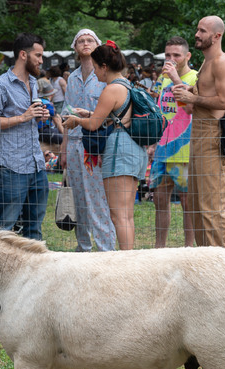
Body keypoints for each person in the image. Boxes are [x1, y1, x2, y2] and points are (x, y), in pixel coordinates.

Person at [63, 40, 147, 250]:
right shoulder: (127, 85)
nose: (96, 74)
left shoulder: (111, 89)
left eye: (96, 67)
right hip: (134, 150)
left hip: (119, 150)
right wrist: (89, 114)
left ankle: (124, 260)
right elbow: (115, 117)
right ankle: (128, 257)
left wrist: (77, 121)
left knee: (118, 215)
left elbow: (94, 125)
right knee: (126, 214)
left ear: (104, 67)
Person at [172, 16, 225, 249]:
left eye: (202, 30)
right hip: (198, 135)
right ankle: (206, 263)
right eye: (197, 29)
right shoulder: (206, 62)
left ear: (217, 36)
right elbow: (207, 94)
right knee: (197, 206)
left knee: (212, 209)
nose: (197, 34)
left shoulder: (221, 62)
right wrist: (191, 90)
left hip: (212, 135)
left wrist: (193, 97)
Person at [0, 33, 49, 241]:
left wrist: (39, 116)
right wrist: (23, 117)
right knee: (4, 229)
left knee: (34, 230)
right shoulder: (0, 85)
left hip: (36, 164)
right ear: (23, 55)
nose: (41, 60)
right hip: (12, 167)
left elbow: (30, 118)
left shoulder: (33, 82)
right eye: (38, 55)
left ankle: (33, 271)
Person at [59, 29, 117, 252]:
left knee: (98, 200)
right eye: (81, 40)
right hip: (73, 143)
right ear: (75, 47)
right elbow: (66, 115)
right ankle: (83, 247)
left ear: (98, 45)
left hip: (96, 143)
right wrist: (64, 148)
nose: (85, 43)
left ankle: (105, 249)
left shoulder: (104, 75)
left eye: (90, 40)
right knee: (78, 199)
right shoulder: (71, 78)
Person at [148, 36, 197, 248]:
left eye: (176, 55)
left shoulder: (196, 77)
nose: (171, 59)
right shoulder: (162, 79)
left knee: (188, 203)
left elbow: (191, 108)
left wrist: (177, 79)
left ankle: (188, 249)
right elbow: (156, 110)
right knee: (159, 201)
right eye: (168, 55)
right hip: (161, 148)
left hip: (185, 150)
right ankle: (160, 248)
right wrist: (152, 142)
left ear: (187, 56)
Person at [36, 79, 64, 145]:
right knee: (62, 139)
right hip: (45, 131)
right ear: (51, 94)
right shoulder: (48, 104)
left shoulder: (37, 101)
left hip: (37, 131)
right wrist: (64, 135)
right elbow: (56, 120)